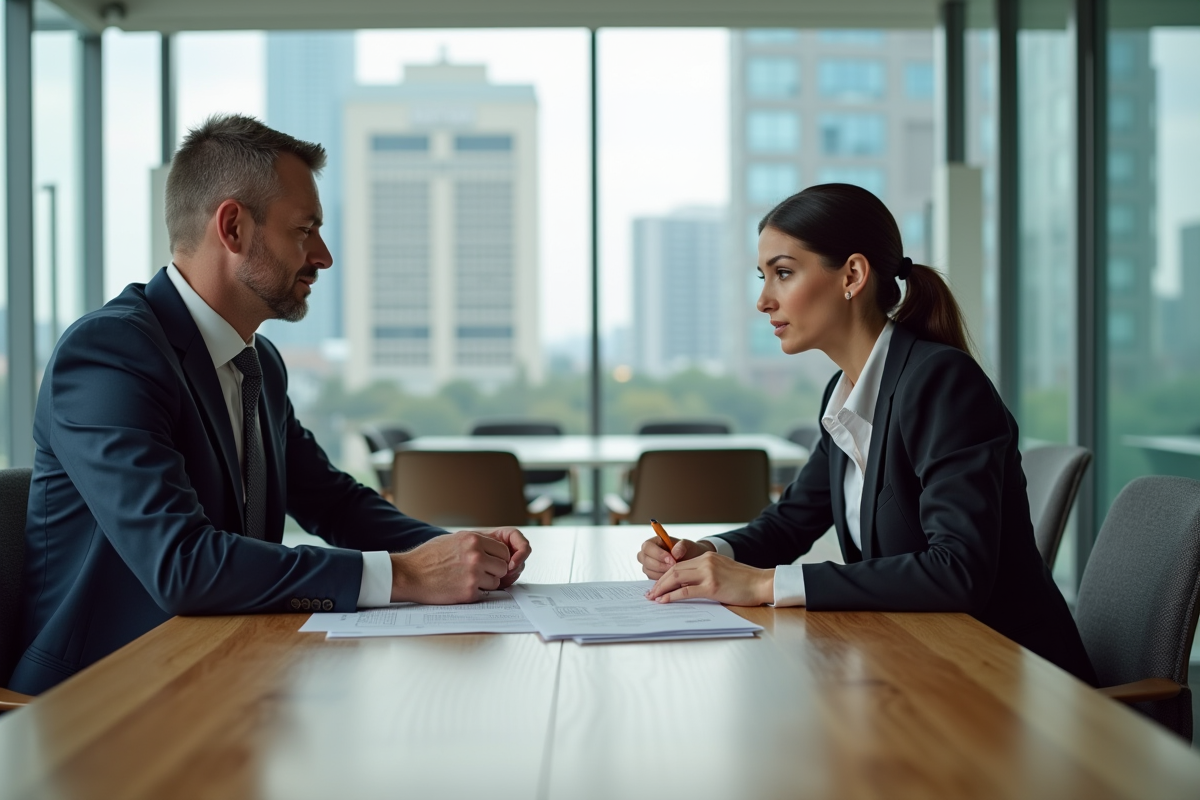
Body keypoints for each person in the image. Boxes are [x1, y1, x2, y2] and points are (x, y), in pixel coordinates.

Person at [11, 115, 530, 695]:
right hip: (100, 698)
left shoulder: (259, 363)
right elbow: (182, 565)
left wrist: (457, 551)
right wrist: (406, 574)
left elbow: (332, 502)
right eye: (305, 230)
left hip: (223, 669)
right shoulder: (110, 353)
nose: (324, 256)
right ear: (232, 227)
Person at [637, 183, 1096, 685]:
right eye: (763, 277)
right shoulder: (847, 392)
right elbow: (790, 523)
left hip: (1012, 685)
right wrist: (709, 553)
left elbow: (957, 570)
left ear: (852, 275)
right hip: (922, 666)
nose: (764, 301)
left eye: (783, 273)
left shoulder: (941, 382)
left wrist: (765, 583)